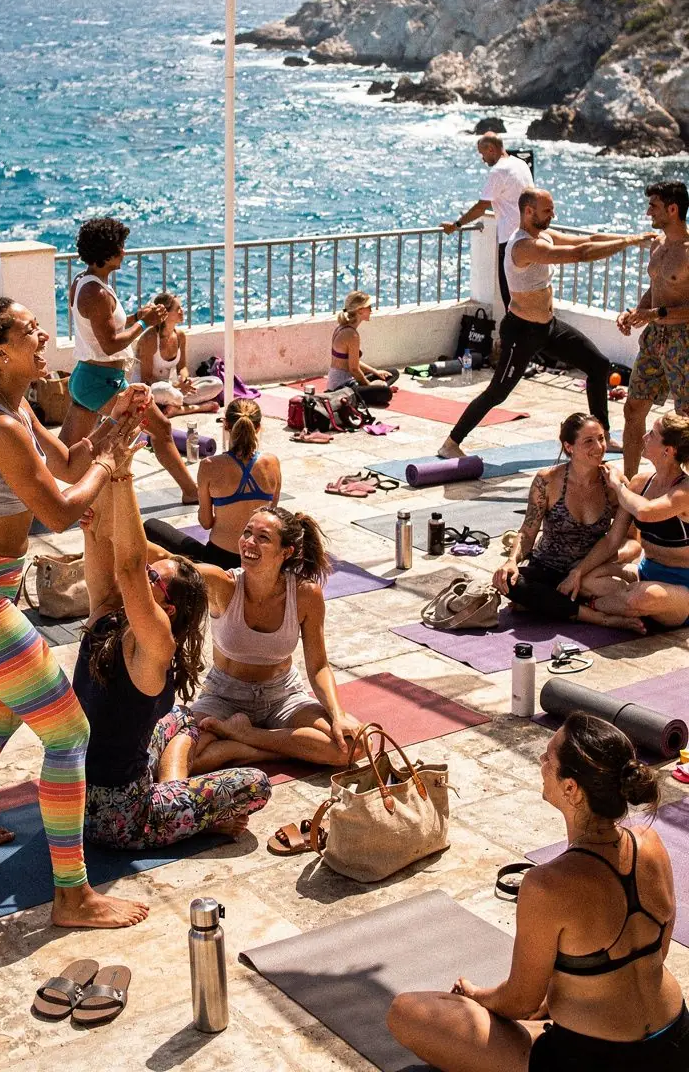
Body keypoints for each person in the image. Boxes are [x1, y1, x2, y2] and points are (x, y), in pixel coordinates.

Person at [0, 294, 150, 930]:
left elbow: (68, 463)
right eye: (29, 330)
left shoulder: (11, 408)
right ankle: (72, 896)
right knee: (69, 733)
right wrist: (111, 462)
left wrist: (111, 425)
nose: (43, 334)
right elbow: (62, 510)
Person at [388, 711, 688, 1071]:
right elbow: (656, 952)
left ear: (571, 788)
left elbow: (520, 1002)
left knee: (407, 1012)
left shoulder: (547, 885)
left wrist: (476, 996)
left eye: (549, 757)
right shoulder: (651, 845)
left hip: (592, 1059)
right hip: (676, 1042)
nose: (542, 760)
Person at [72, 441, 271, 851]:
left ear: (168, 608)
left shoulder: (122, 624)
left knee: (182, 718)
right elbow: (119, 556)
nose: (143, 575)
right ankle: (185, 811)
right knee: (256, 784)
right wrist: (114, 477)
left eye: (153, 578)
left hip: (71, 799)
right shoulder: (142, 632)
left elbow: (120, 558)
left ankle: (175, 796)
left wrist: (117, 482)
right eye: (148, 571)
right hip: (119, 817)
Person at [437, 189, 650, 459]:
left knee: (598, 365)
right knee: (498, 392)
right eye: (547, 210)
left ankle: (603, 435)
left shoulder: (544, 236)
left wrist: (633, 239)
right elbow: (581, 253)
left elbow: (589, 240)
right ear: (528, 212)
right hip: (521, 331)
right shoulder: (524, 246)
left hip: (548, 328)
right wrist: (629, 241)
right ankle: (451, 443)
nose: (553, 215)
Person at [177, 506, 359, 771]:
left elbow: (319, 666)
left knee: (354, 746)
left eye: (263, 537)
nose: (249, 542)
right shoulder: (223, 584)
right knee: (182, 757)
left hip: (282, 696)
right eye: (247, 533)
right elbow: (171, 565)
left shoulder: (306, 594)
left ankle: (246, 739)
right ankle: (273, 749)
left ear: (286, 552)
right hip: (224, 696)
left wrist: (338, 715)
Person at [59, 216, 199, 504]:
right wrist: (146, 323)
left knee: (64, 458)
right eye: (120, 246)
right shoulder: (97, 292)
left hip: (89, 377)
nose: (124, 252)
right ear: (107, 251)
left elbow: (105, 328)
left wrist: (137, 317)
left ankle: (22, 491)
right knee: (161, 430)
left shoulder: (84, 282)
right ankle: (191, 491)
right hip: (103, 382)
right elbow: (110, 344)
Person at [493, 413, 642, 631]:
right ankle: (597, 617)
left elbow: (630, 541)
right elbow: (527, 532)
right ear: (569, 447)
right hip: (547, 568)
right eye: (588, 441)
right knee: (508, 581)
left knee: (628, 594)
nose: (599, 447)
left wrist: (586, 568)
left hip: (588, 572)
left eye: (601, 438)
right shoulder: (547, 480)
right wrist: (511, 561)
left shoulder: (613, 484)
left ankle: (553, 605)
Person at [573, 413, 689, 629]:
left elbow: (645, 512)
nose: (644, 436)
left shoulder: (685, 490)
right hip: (645, 574)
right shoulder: (640, 483)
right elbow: (613, 539)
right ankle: (621, 605)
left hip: (683, 588)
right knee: (587, 580)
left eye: (652, 434)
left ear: (668, 450)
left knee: (642, 597)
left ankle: (588, 609)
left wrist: (618, 486)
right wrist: (577, 572)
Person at [144, 398, 281, 570]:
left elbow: (206, 522)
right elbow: (272, 514)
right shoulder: (273, 463)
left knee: (151, 526)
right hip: (258, 559)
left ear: (226, 425)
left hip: (219, 561)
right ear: (258, 427)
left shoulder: (210, 465)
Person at [618, 182, 689, 477]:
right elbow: (656, 287)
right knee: (633, 408)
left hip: (683, 340)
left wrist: (657, 313)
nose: (648, 212)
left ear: (672, 209)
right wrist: (636, 313)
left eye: (654, 206)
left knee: (686, 417)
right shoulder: (658, 245)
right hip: (654, 338)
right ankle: (629, 484)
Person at [442, 133, 533, 311]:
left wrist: (455, 225)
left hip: (510, 241)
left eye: (482, 154)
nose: (482, 159)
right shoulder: (520, 164)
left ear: (491, 149)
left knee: (511, 299)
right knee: (527, 296)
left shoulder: (499, 171)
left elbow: (481, 207)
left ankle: (513, 330)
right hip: (529, 237)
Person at [135, 291, 223, 414]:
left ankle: (173, 405)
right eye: (178, 309)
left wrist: (184, 379)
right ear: (165, 314)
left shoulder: (180, 335)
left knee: (216, 383)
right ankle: (189, 408)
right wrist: (176, 385)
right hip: (152, 389)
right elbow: (146, 379)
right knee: (162, 390)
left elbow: (182, 367)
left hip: (173, 388)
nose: (182, 311)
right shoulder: (150, 339)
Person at [328, 291, 398, 406]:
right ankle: (374, 390)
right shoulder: (352, 335)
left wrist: (375, 372)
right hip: (342, 387)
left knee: (392, 373)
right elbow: (354, 369)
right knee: (386, 393)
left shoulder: (342, 328)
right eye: (369, 307)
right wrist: (369, 386)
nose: (371, 310)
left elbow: (352, 362)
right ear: (360, 310)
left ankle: (375, 388)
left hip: (344, 380)